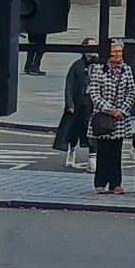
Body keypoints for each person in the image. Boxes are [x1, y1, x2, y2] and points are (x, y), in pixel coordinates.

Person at [85, 41, 135, 195]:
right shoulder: (98, 69)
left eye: (120, 52)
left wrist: (122, 110)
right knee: (103, 152)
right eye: (114, 52)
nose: (118, 55)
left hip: (120, 119)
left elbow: (131, 92)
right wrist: (109, 110)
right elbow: (94, 93)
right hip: (103, 118)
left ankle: (116, 184)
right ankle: (100, 183)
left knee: (116, 152)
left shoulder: (127, 69)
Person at [54, 37, 96, 169]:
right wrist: (69, 103)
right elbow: (69, 86)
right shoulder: (77, 66)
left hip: (93, 103)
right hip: (79, 102)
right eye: (90, 47)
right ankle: (71, 151)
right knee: (74, 129)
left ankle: (92, 159)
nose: (93, 50)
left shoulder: (99, 65)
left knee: (93, 130)